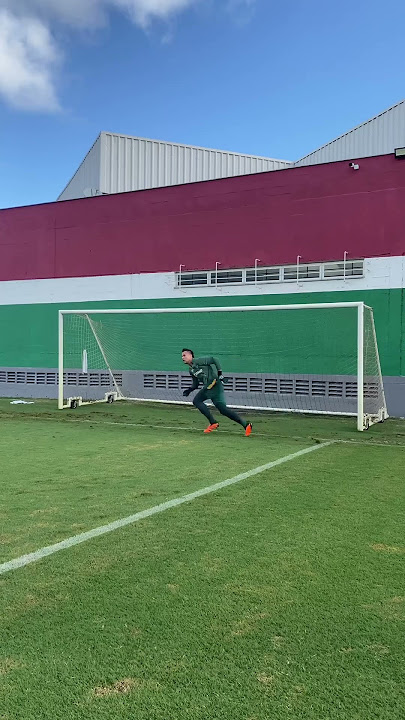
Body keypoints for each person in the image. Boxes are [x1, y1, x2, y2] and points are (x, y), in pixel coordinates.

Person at [181, 349, 252, 436]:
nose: (182, 357)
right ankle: (246, 424)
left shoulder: (199, 361)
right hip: (211, 388)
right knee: (223, 410)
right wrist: (189, 390)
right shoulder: (191, 370)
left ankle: (213, 422)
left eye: (184, 355)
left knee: (197, 401)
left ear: (191, 355)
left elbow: (214, 359)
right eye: (182, 356)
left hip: (214, 384)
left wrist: (220, 373)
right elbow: (196, 384)